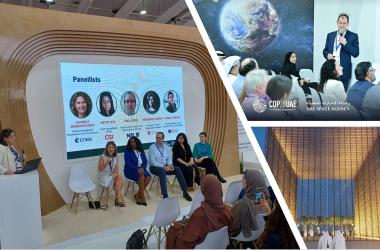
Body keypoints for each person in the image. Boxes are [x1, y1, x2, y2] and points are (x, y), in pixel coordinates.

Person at [166, 174, 233, 249]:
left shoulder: (200, 214)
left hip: (200, 246)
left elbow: (187, 238)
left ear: (204, 190)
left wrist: (179, 231)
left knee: (172, 232)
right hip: (218, 245)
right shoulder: (228, 209)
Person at [148, 132, 192, 201]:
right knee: (162, 171)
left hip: (166, 166)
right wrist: (164, 167)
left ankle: (185, 192)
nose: (157, 139)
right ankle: (165, 195)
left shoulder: (166, 147)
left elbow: (169, 158)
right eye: (156, 138)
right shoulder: (152, 147)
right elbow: (153, 162)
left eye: (159, 138)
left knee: (177, 168)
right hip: (154, 168)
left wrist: (170, 165)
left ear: (163, 139)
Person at [323, 13, 359, 91]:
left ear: (348, 24)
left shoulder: (353, 36)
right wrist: (328, 55)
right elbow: (325, 50)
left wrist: (345, 44)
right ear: (337, 22)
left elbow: (356, 53)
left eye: (344, 23)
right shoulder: (330, 35)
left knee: (342, 97)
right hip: (331, 71)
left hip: (344, 72)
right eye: (340, 23)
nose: (342, 25)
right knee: (330, 96)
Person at [229, 170, 270, 238]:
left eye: (244, 178)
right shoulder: (267, 201)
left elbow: (232, 225)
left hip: (242, 236)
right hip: (260, 234)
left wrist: (232, 209)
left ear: (250, 181)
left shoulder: (242, 204)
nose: (242, 180)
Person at [124, 136, 151, 206]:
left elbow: (145, 161)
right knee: (142, 176)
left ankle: (137, 194)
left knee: (148, 177)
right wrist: (137, 168)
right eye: (130, 142)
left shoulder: (141, 151)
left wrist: (142, 168)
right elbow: (128, 163)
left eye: (133, 141)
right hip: (130, 170)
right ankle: (142, 196)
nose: (131, 143)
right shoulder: (127, 152)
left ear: (137, 142)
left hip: (141, 169)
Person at [98, 141, 125, 207]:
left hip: (113, 175)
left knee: (119, 177)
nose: (111, 149)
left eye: (113, 147)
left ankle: (117, 198)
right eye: (109, 147)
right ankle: (118, 198)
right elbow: (100, 169)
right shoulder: (102, 156)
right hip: (104, 176)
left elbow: (117, 169)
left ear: (115, 148)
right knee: (119, 178)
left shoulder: (116, 157)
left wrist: (114, 173)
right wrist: (106, 162)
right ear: (106, 148)